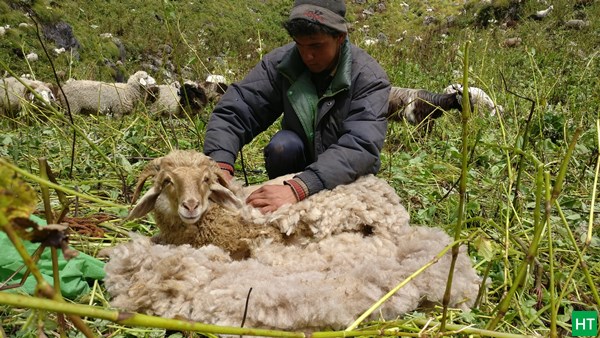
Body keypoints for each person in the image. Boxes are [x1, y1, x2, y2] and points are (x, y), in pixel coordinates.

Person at [203, 0, 390, 213]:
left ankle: (291, 195)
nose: (307, 56)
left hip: (347, 172)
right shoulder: (282, 64)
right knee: (283, 145)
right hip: (296, 160)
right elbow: (238, 109)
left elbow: (360, 145)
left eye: (316, 46)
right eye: (299, 45)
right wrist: (220, 164)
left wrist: (300, 187)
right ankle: (282, 208)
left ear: (340, 38)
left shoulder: (368, 77)